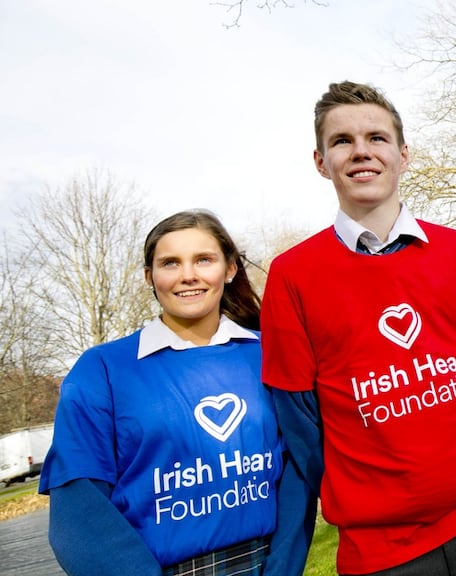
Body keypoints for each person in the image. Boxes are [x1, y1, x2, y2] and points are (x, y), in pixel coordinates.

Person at [260, 80, 456, 576]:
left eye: (377, 138)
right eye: (342, 141)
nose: (361, 151)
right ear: (321, 162)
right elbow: (300, 417)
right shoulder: (292, 274)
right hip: (382, 546)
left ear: (403, 154)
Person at [39, 210, 290, 576]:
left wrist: (284, 565)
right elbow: (79, 511)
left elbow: (298, 471)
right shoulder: (103, 370)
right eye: (170, 263)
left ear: (231, 268)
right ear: (149, 276)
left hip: (269, 564)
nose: (188, 275)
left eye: (203, 259)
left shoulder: (272, 355)